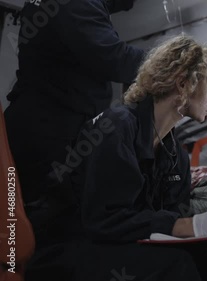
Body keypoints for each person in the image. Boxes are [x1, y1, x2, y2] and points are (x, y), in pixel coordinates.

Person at [66, 35, 207, 281]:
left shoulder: (176, 153)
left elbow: (174, 213)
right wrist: (193, 225)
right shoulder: (117, 126)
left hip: (129, 241)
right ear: (182, 84)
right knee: (175, 265)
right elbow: (103, 220)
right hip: (81, 243)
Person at [4, 0, 145, 252]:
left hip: (42, 127)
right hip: (51, 138)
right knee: (56, 239)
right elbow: (114, 58)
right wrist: (168, 63)